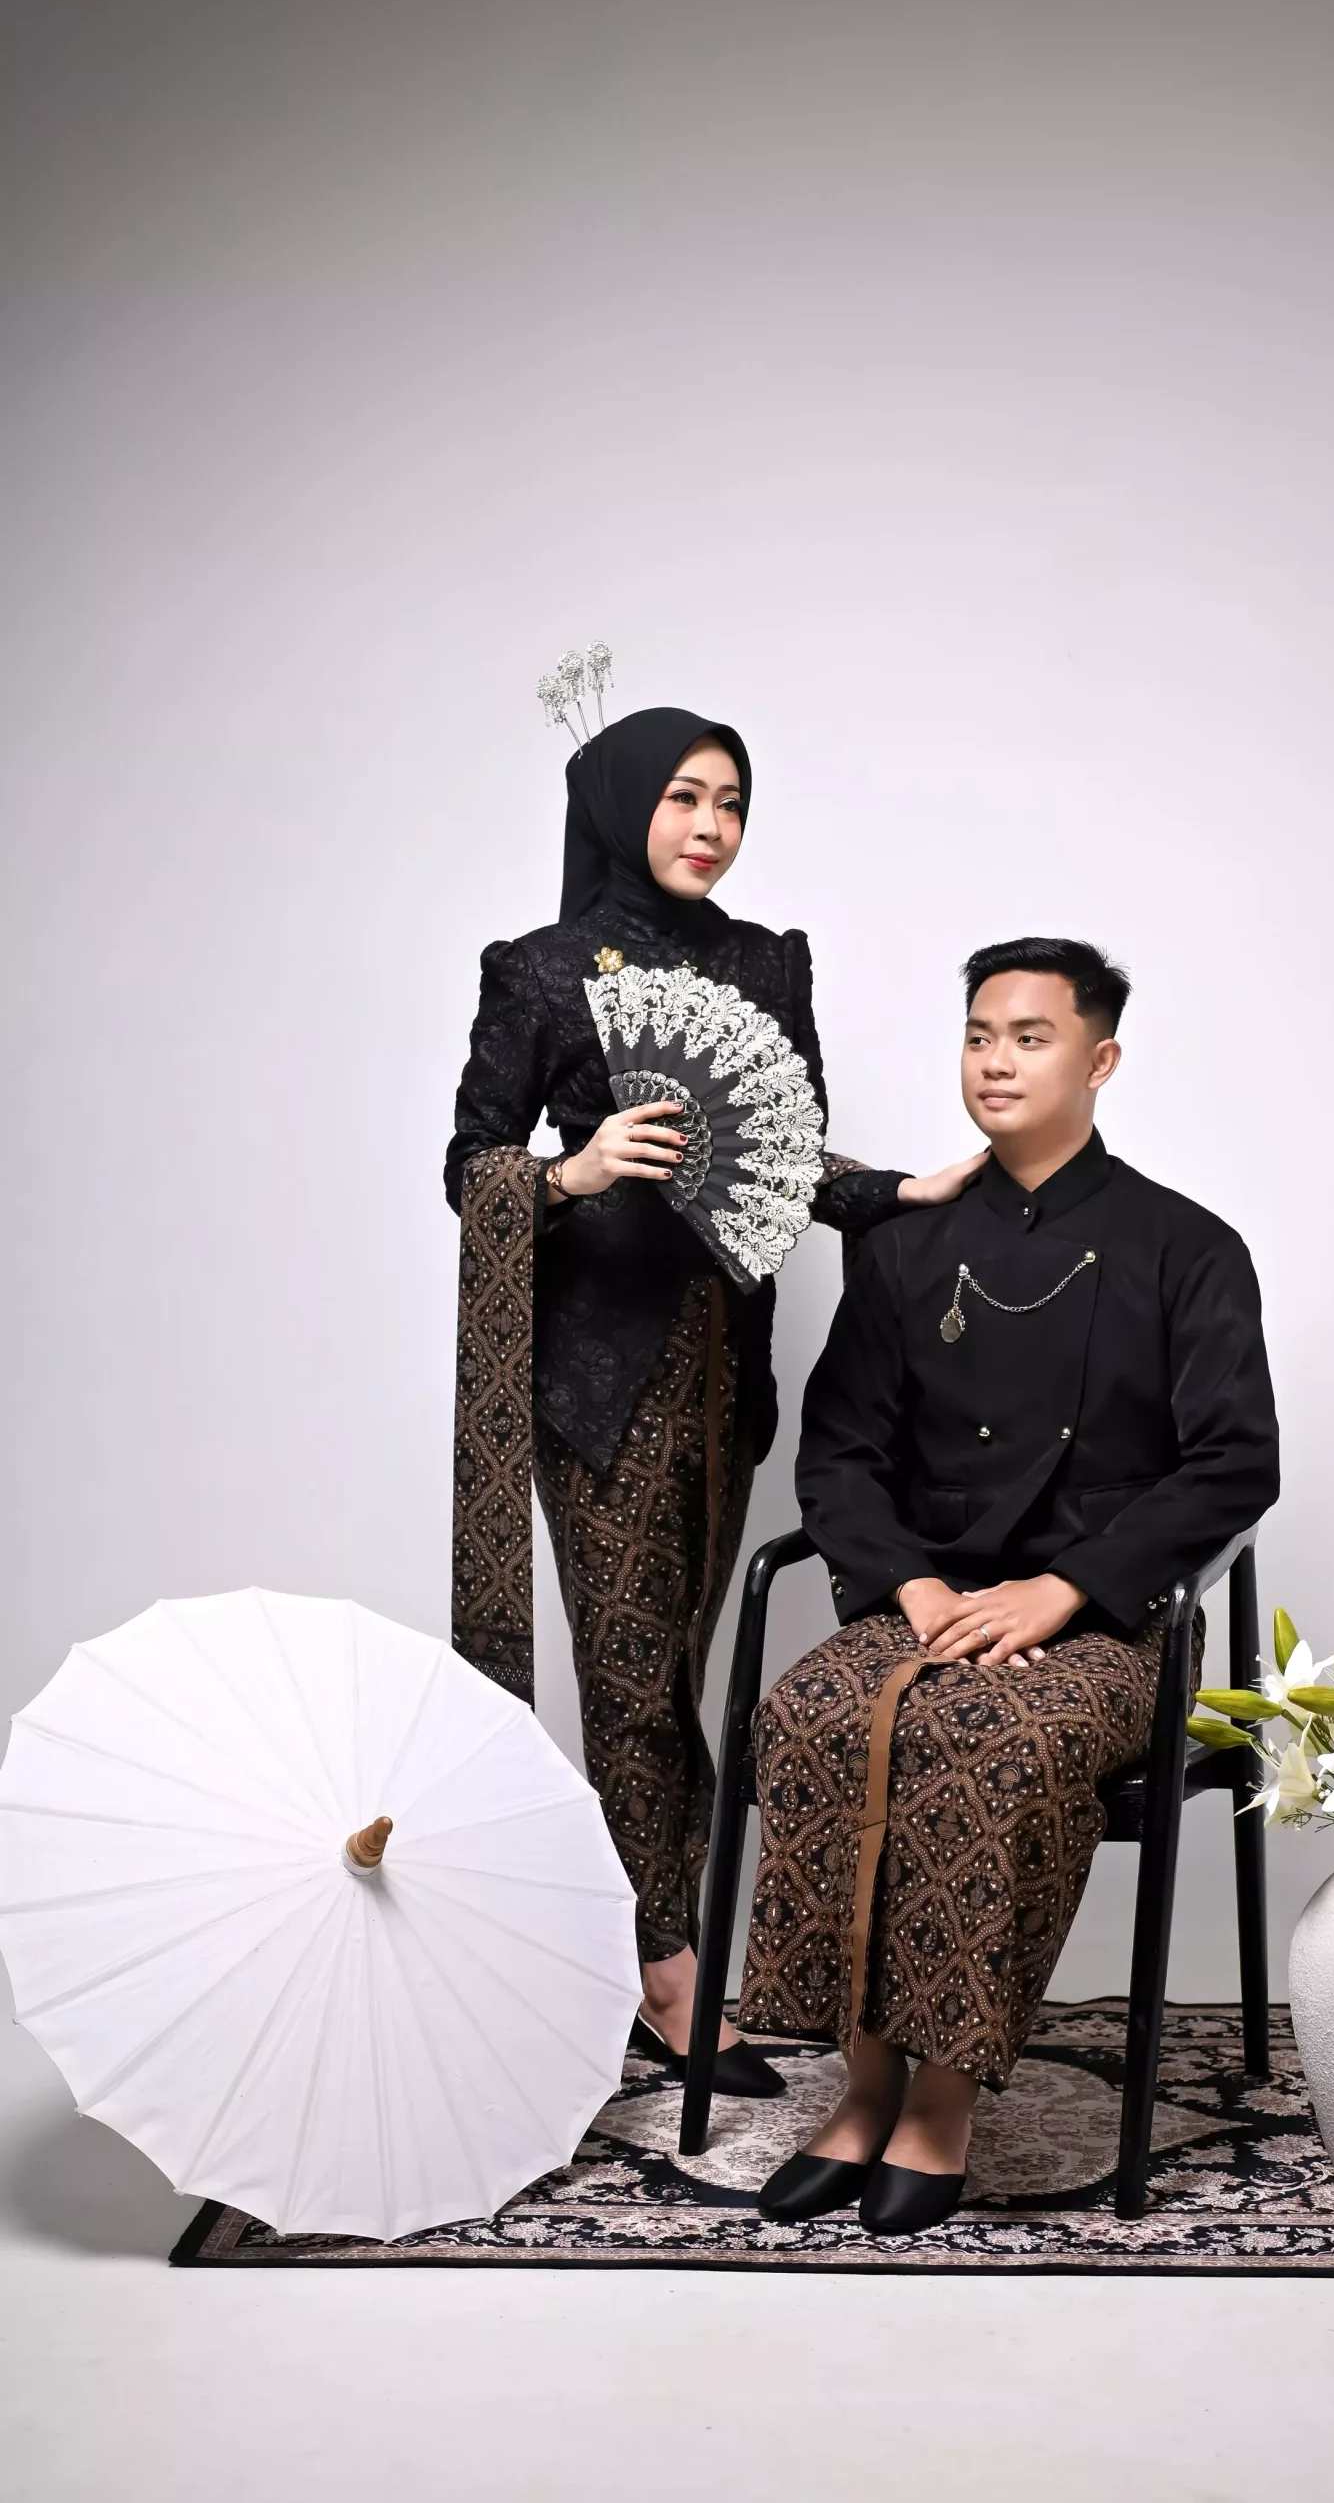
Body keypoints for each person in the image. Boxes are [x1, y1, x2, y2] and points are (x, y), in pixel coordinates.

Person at [445, 707, 980, 2095]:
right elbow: (469, 1163)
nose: (711, 827)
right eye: (684, 797)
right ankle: (667, 1971)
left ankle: (653, 1935)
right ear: (623, 804)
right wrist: (570, 1172)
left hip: (725, 1371)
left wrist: (903, 1190)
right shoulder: (541, 970)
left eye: (732, 802)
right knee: (630, 1678)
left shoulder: (762, 964)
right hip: (596, 1379)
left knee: (680, 1664)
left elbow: (783, 1155)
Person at [739, 935, 1280, 2229]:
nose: (995, 1061)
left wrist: (1067, 1588)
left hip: (1105, 1626)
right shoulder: (907, 1245)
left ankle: (940, 2104)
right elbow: (841, 1450)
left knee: (993, 1737)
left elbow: (1234, 1464)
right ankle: (861, 2085)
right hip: (925, 1600)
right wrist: (911, 1589)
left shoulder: (1186, 1246)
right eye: (980, 1035)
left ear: (1099, 1061)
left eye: (1030, 1038)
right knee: (808, 1712)